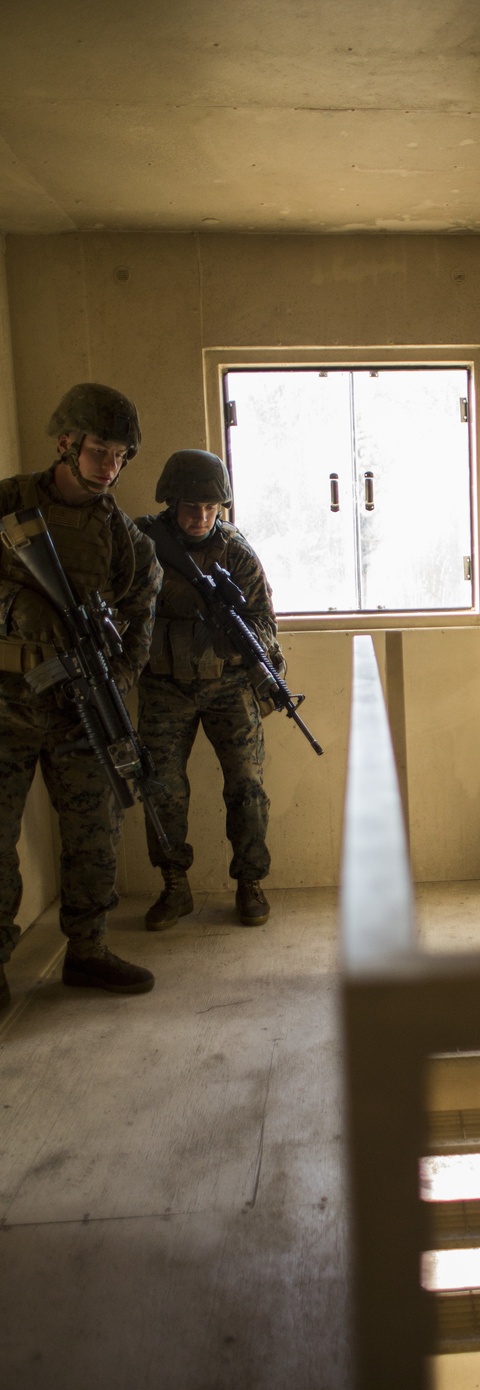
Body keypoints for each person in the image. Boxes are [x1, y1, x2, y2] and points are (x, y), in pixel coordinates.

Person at [0, 383, 161, 1009]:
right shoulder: (9, 504)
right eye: (99, 450)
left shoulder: (125, 539)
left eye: (121, 455)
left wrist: (112, 681)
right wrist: (16, 606)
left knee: (96, 828)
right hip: (7, 701)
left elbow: (139, 618)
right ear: (65, 443)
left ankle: (87, 951)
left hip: (77, 709)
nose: (110, 466)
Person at [136, 450, 282, 931]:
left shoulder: (236, 552)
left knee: (246, 787)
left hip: (228, 685)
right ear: (171, 502)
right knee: (163, 790)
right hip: (163, 685)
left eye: (211, 508)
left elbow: (264, 621)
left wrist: (233, 633)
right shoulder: (143, 543)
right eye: (191, 507)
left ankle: (249, 883)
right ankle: (174, 886)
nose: (201, 517)